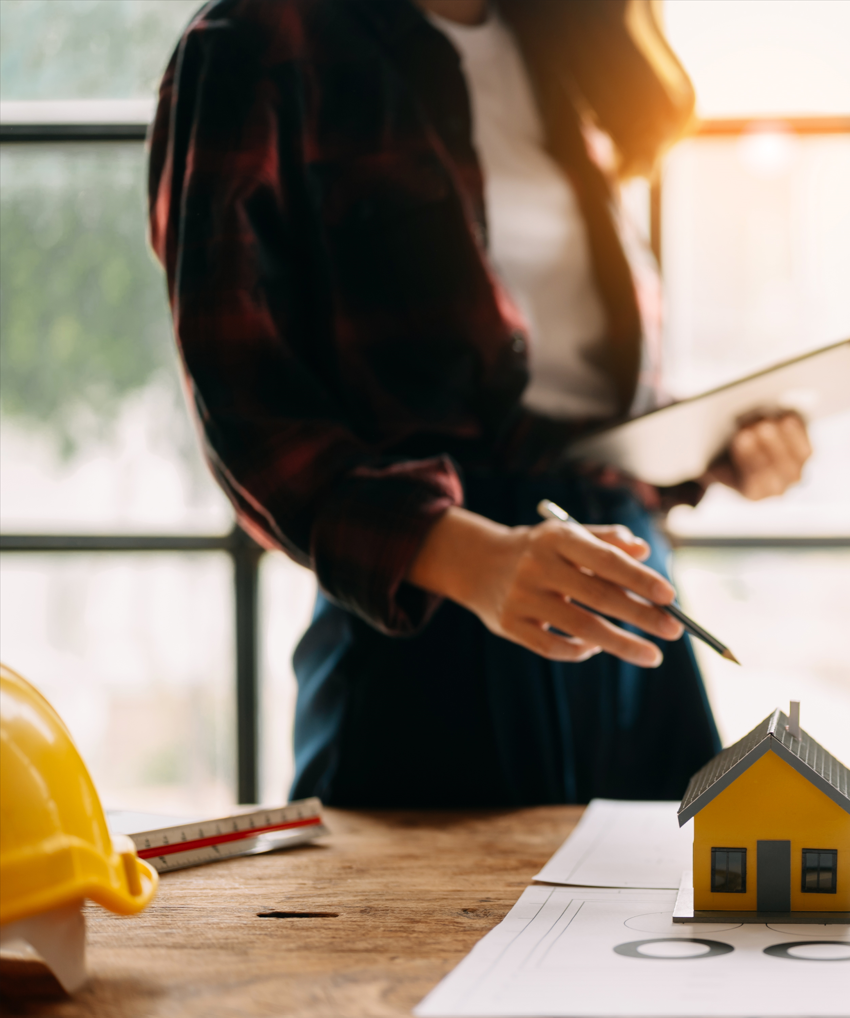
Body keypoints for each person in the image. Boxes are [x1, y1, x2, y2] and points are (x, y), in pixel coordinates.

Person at [148, 0, 812, 807]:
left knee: (670, 920)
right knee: (420, 931)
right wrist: (476, 560)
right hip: (427, 647)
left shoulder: (558, 40)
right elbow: (246, 406)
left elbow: (564, 395)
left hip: (628, 626)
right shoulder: (257, 42)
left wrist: (713, 450)